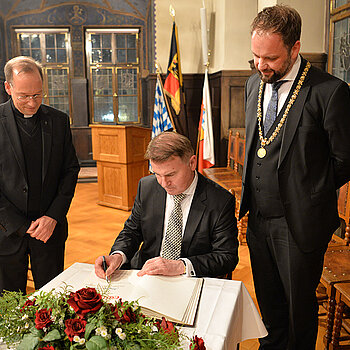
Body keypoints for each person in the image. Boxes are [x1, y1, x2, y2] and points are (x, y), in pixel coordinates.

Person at [239, 5, 350, 349]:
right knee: (270, 311)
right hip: (258, 221)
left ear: (295, 48)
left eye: (270, 58)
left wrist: (309, 192)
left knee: (298, 315)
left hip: (299, 224)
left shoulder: (329, 91)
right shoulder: (252, 84)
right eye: (255, 56)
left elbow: (344, 159)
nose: (261, 65)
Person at [95, 131, 238, 279]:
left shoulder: (220, 200)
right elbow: (132, 231)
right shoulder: (146, 187)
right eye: (157, 174)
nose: (164, 184)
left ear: (192, 163)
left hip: (190, 278)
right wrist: (118, 255)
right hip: (146, 274)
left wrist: (181, 266)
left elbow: (226, 257)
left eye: (170, 174)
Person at [0, 56, 80, 295]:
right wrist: (20, 225)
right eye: (24, 96)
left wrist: (53, 217)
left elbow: (70, 171)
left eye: (38, 95)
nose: (32, 103)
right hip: (6, 231)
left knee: (52, 301)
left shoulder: (58, 121)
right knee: (9, 305)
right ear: (8, 88)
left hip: (49, 231)